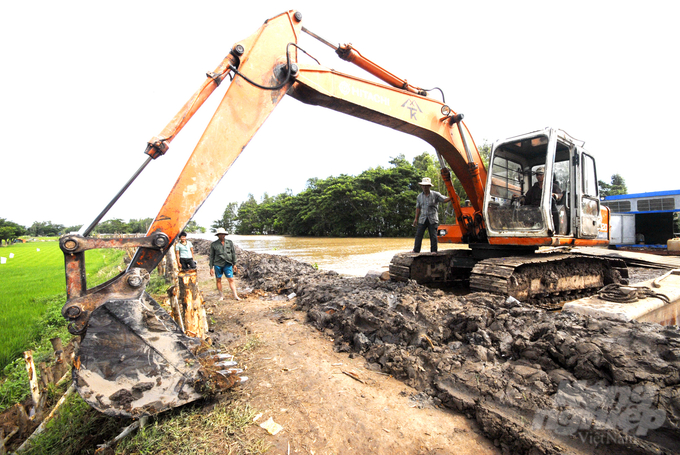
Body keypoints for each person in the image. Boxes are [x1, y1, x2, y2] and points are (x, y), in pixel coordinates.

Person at [412, 177, 451, 253]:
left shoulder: (435, 195)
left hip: (432, 219)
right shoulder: (419, 196)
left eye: (426, 185)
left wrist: (452, 197)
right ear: (421, 186)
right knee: (418, 235)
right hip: (422, 219)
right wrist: (416, 219)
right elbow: (418, 208)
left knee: (433, 236)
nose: (424, 187)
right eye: (423, 185)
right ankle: (416, 250)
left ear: (429, 186)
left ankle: (433, 251)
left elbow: (444, 200)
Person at [209, 228, 241, 301]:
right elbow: (211, 256)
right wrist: (211, 267)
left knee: (231, 279)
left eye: (223, 234)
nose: (222, 235)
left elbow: (233, 253)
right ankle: (221, 296)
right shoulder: (214, 244)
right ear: (218, 235)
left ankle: (235, 295)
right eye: (220, 234)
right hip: (218, 264)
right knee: (218, 279)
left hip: (228, 263)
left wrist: (234, 264)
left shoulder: (229, 242)